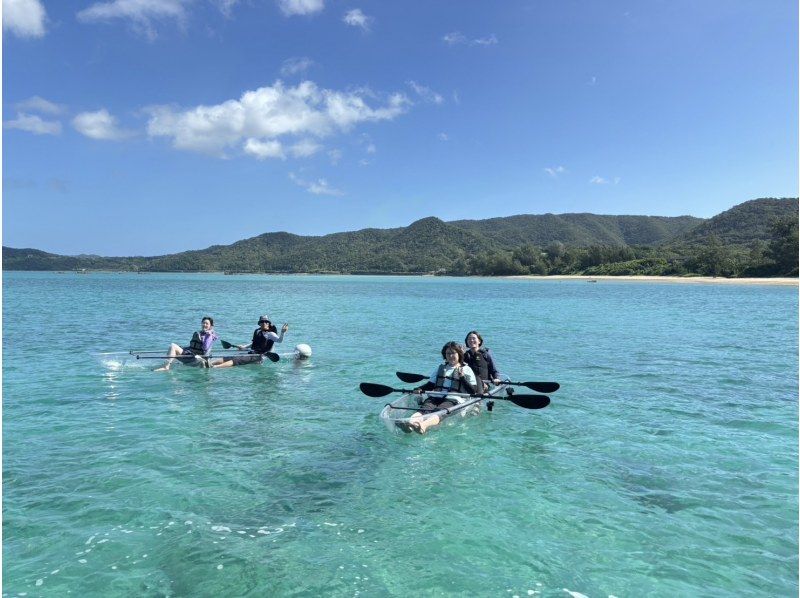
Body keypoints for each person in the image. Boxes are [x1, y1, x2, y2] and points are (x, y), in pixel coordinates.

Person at [397, 341, 479, 434]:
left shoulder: (466, 369)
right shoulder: (441, 368)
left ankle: (423, 426)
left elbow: (473, 391)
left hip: (454, 398)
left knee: (441, 411)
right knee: (425, 409)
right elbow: (430, 385)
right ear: (445, 355)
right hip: (437, 395)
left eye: (453, 353)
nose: (451, 356)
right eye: (448, 353)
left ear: (459, 354)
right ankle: (410, 423)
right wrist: (419, 389)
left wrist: (462, 378)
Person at [209, 315, 288, 368]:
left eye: (266, 322)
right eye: (262, 322)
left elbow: (279, 340)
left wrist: (282, 332)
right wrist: (244, 347)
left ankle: (215, 367)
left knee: (236, 360)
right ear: (259, 324)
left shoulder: (271, 334)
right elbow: (254, 343)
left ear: (268, 324)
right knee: (229, 357)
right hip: (252, 352)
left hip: (259, 356)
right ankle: (210, 364)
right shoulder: (258, 331)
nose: (264, 323)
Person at [155, 316, 219, 371]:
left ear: (210, 326)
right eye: (203, 323)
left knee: (173, 346)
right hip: (190, 354)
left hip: (197, 357)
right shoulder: (200, 333)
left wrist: (207, 336)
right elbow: (193, 346)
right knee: (173, 346)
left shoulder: (209, 336)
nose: (204, 325)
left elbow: (205, 348)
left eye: (206, 323)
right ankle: (167, 365)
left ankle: (166, 367)